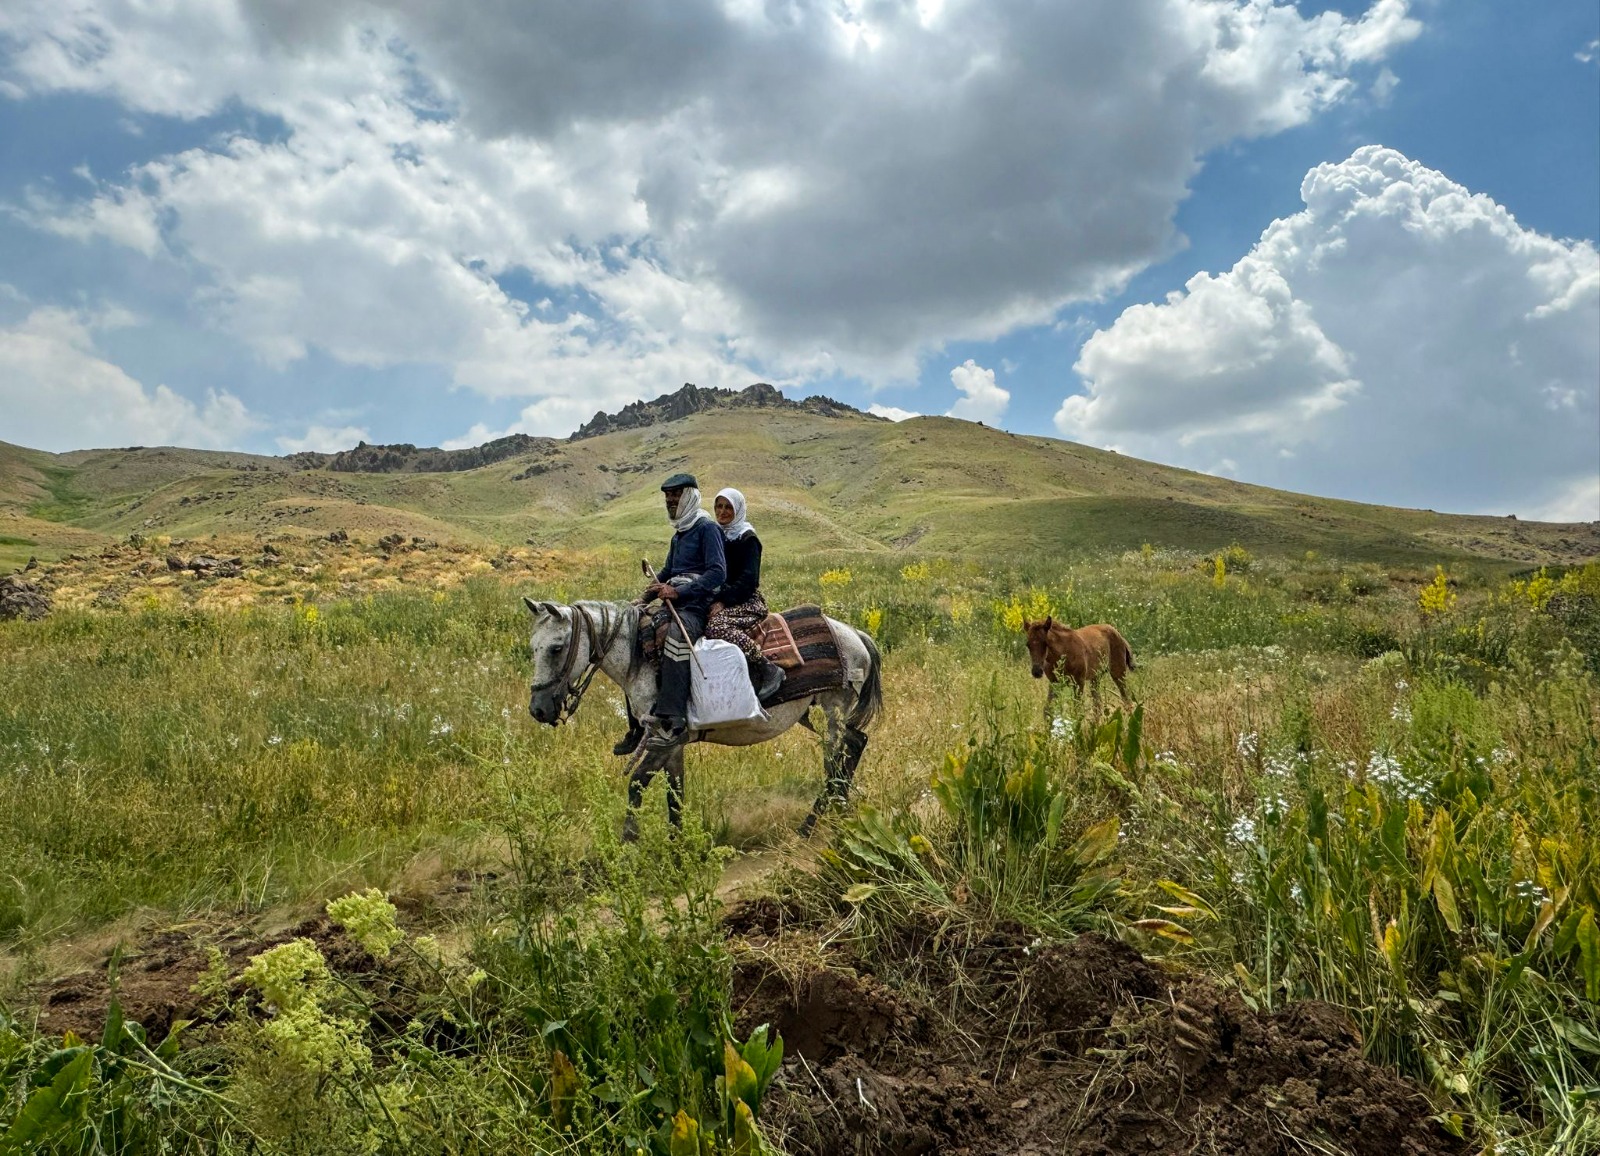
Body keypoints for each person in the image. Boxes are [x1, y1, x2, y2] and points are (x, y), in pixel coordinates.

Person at [619, 473, 726, 753]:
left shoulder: (707, 529)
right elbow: (667, 572)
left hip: (696, 604)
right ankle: (637, 720)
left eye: (676, 494)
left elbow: (717, 572)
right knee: (636, 631)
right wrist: (644, 597)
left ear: (689, 496)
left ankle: (674, 716)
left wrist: (680, 592)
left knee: (675, 636)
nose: (670, 500)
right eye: (667, 495)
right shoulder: (679, 533)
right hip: (673, 602)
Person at [704, 488, 785, 702]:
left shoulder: (748, 539)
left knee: (717, 626)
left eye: (728, 507)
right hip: (719, 598)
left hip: (746, 600)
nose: (722, 512)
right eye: (719, 506)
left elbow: (749, 580)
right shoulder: (716, 536)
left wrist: (723, 600)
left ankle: (766, 667)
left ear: (738, 509)